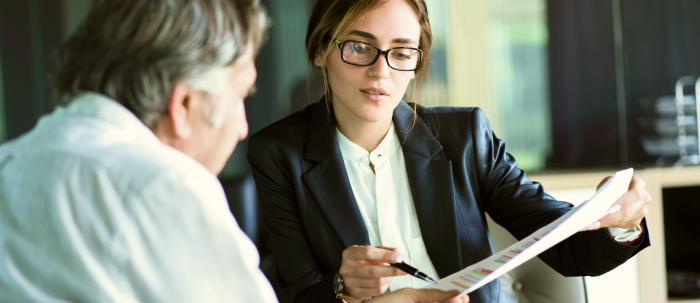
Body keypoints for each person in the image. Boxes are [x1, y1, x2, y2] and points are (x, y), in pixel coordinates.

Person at [0, 0, 465, 302]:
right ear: (184, 104)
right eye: (240, 96)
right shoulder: (163, 187)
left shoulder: (12, 164)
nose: (244, 128)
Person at [246, 0, 651, 302]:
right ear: (320, 51)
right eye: (358, 46)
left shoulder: (465, 136)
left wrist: (619, 220)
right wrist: (342, 288)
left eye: (401, 52)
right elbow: (296, 293)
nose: (381, 71)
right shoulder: (279, 154)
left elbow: (566, 248)